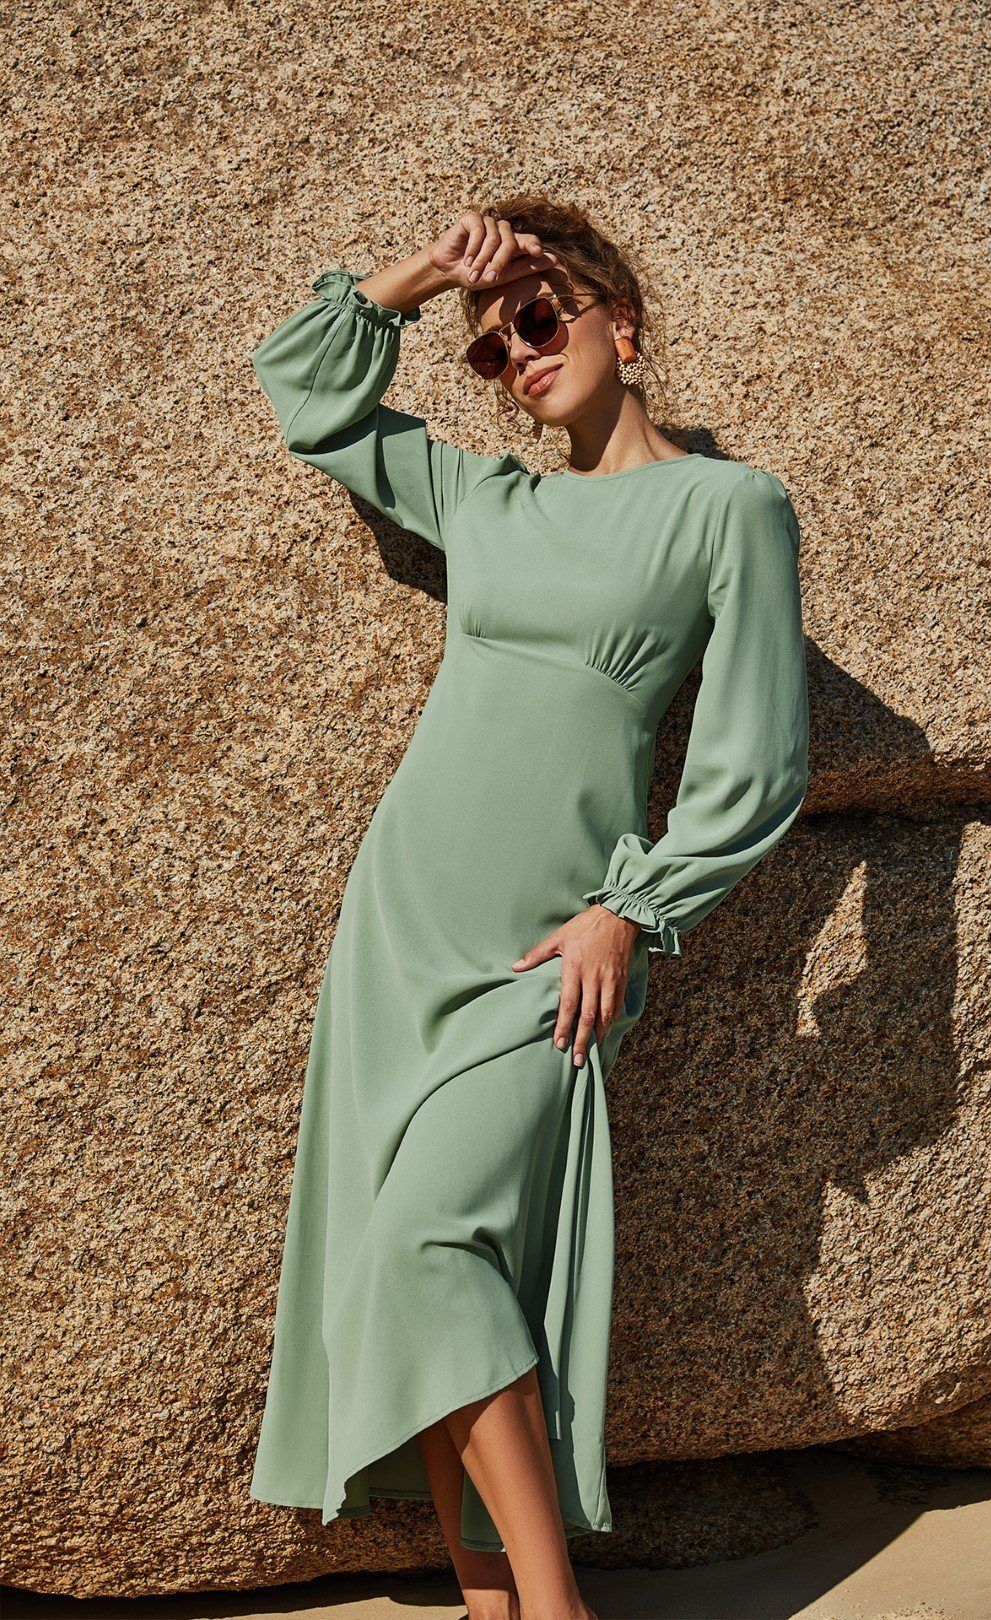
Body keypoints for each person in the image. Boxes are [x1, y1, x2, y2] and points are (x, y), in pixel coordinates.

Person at [247, 195, 810, 1620]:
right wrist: (424, 274)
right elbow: (305, 389)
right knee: (405, 1263)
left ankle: (554, 1614)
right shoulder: (488, 500)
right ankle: (496, 1609)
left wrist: (636, 910)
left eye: (543, 318)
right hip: (403, 929)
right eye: (494, 349)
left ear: (627, 321)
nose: (523, 355)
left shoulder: (730, 508)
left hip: (547, 946)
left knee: (432, 1242)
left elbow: (756, 759)